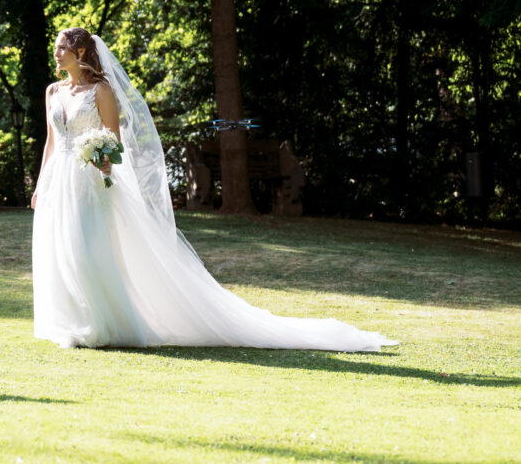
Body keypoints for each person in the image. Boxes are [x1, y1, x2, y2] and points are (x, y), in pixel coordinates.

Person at [31, 27, 398, 352]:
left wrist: (103, 159)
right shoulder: (52, 91)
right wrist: (40, 183)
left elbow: (113, 140)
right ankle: (69, 321)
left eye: (62, 46)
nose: (56, 52)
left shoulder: (101, 91)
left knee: (88, 248)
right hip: (59, 181)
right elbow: (51, 141)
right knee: (60, 247)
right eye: (56, 46)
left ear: (80, 52)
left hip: (90, 181)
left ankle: (98, 325)